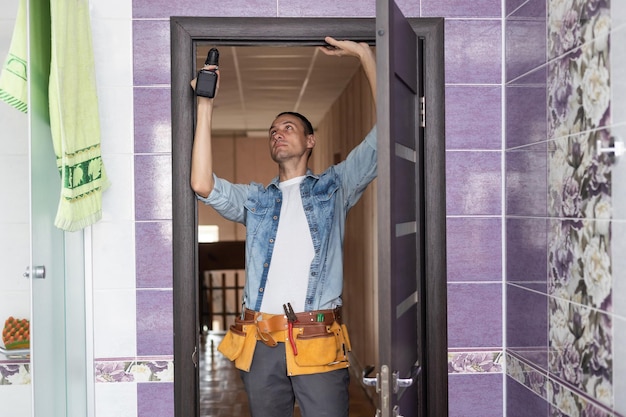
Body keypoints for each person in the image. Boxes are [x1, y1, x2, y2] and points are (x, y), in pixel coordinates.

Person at [190, 36, 377, 417]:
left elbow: (389, 133)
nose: (278, 133)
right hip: (261, 344)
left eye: (288, 127)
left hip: (317, 342)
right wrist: (205, 104)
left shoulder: (335, 187)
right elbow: (201, 184)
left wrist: (365, 55)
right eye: (273, 130)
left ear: (310, 140)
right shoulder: (257, 200)